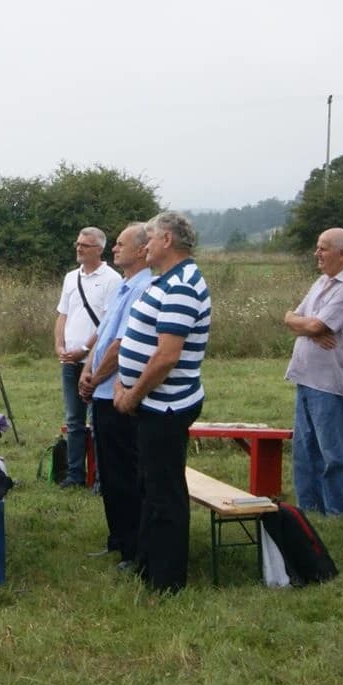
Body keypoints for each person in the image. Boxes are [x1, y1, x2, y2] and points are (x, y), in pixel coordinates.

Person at [114, 211, 211, 593]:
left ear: (167, 240)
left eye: (150, 239)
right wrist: (124, 385)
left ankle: (167, 580)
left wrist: (133, 394)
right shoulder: (163, 281)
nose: (145, 245)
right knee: (148, 486)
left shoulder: (183, 285)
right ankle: (148, 563)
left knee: (165, 492)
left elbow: (167, 356)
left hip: (166, 405)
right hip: (150, 402)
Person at [79, 222, 155, 566]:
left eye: (121, 244)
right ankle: (119, 538)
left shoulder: (143, 288)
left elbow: (122, 344)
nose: (114, 249)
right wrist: (86, 370)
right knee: (109, 472)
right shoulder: (125, 286)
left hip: (117, 393)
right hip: (102, 389)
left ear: (143, 250)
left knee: (123, 473)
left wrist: (95, 378)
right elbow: (103, 334)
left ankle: (134, 547)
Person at [283, 228, 343, 521]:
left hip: (330, 383)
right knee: (305, 451)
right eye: (317, 247)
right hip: (306, 377)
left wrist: (310, 328)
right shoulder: (322, 282)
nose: (316, 254)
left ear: (342, 254)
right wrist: (309, 328)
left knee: (333, 453)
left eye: (323, 248)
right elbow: (291, 317)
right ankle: (309, 510)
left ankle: (338, 514)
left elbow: (317, 326)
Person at [53, 227, 121, 488]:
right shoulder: (71, 278)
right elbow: (63, 314)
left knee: (99, 421)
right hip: (69, 360)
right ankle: (74, 475)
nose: (79, 248)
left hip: (95, 360)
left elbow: (106, 324)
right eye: (78, 243)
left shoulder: (112, 279)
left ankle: (103, 480)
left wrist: (84, 349)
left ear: (99, 249)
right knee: (73, 420)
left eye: (86, 245)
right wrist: (60, 345)